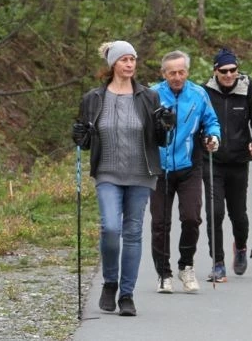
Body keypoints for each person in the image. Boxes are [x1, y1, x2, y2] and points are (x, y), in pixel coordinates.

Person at [72, 40, 172, 316]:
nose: (130, 64)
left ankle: (126, 295)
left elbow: (160, 139)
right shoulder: (94, 98)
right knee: (111, 228)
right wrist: (80, 136)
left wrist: (166, 126)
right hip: (107, 171)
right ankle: (109, 283)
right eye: (124, 59)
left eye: (133, 59)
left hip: (141, 172)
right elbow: (87, 137)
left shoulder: (148, 97)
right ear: (113, 64)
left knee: (133, 232)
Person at [150, 50, 221, 294]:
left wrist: (213, 137)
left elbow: (211, 121)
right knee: (160, 223)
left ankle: (186, 265)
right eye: (172, 73)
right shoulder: (152, 95)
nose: (177, 77)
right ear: (164, 74)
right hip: (159, 168)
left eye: (181, 72)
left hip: (190, 165)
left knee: (192, 218)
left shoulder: (199, 94)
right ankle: (163, 273)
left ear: (187, 72)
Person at [201, 48, 252, 282]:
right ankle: (217, 263)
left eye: (233, 70)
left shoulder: (248, 87)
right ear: (215, 71)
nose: (229, 75)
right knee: (214, 212)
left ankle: (240, 247)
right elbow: (199, 123)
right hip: (212, 162)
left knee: (238, 215)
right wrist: (204, 140)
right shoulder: (204, 92)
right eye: (224, 71)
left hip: (239, 160)